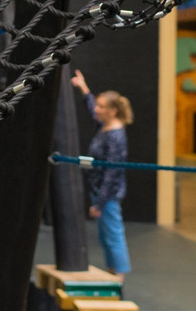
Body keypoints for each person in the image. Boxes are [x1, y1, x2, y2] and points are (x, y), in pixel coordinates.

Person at [70, 68, 133, 278]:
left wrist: (100, 203)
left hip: (108, 195)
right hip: (100, 192)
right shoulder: (105, 126)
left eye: (101, 106)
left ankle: (119, 278)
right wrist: (84, 88)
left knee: (113, 234)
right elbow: (91, 111)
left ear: (113, 111)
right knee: (106, 236)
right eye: (97, 104)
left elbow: (112, 174)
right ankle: (112, 271)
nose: (96, 109)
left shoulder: (115, 136)